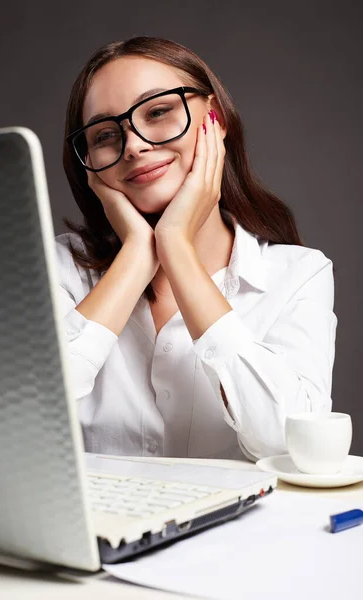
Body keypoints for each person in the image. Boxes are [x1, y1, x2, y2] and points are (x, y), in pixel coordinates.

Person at [56, 35, 337, 461]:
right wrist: (135, 257)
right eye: (105, 135)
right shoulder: (57, 267)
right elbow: (11, 430)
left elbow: (292, 449)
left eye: (159, 111)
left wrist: (176, 249)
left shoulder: (298, 275)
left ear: (215, 121)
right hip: (91, 529)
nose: (133, 145)